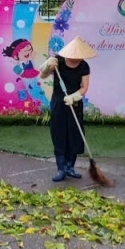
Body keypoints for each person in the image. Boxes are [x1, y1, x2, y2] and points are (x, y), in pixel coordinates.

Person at [39, 36, 95, 182]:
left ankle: (70, 167)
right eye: (73, 57)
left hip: (74, 103)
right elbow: (43, 75)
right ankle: (61, 169)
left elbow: (84, 87)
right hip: (59, 102)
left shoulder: (84, 66)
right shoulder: (58, 61)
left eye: (79, 57)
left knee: (74, 135)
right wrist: (47, 65)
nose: (76, 60)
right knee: (59, 134)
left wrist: (74, 96)